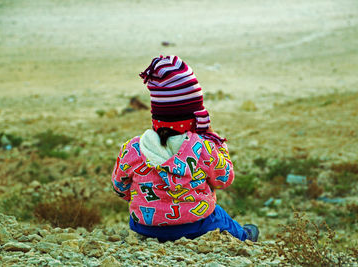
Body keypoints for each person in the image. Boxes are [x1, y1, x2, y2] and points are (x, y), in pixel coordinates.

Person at [111, 55, 259, 242]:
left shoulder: (133, 148)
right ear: (196, 116)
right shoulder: (203, 147)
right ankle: (244, 236)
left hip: (145, 227)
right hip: (197, 226)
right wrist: (215, 140)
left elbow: (120, 188)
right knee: (220, 216)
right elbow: (224, 179)